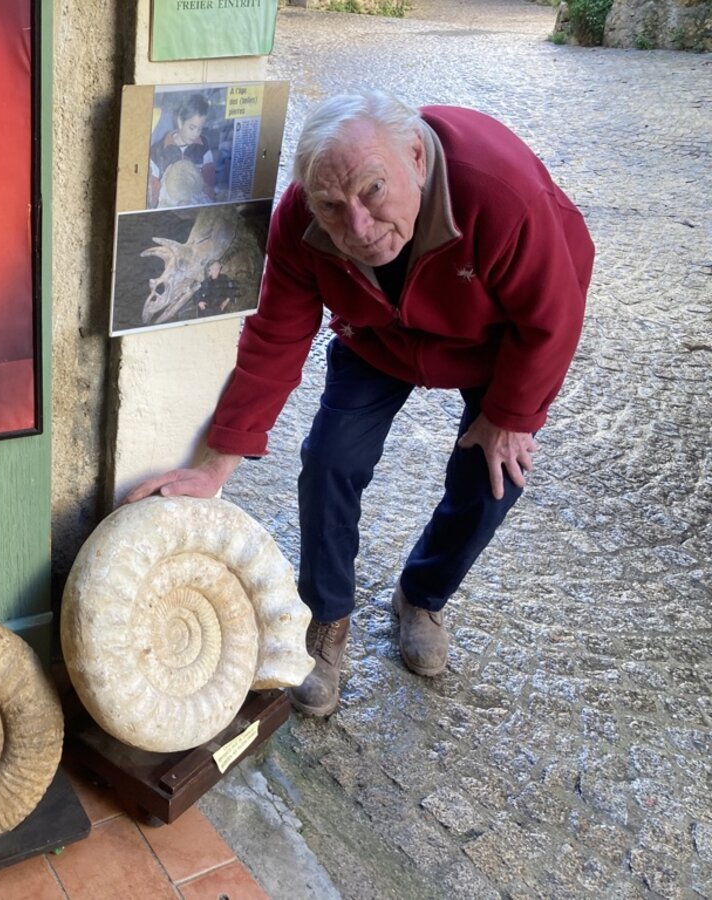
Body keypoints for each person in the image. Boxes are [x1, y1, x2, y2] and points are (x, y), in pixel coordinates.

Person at [126, 91, 594, 716]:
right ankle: (327, 617)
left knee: (492, 479)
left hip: (494, 341)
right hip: (376, 335)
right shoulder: (302, 218)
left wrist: (511, 416)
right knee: (329, 460)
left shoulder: (503, 195)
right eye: (332, 207)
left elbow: (553, 315)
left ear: (416, 158)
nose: (359, 228)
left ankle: (422, 596)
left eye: (373, 191)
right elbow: (275, 336)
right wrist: (217, 464)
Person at [149, 94, 217, 208]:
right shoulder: (158, 151)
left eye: (200, 129)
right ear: (180, 122)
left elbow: (210, 184)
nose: (196, 133)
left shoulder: (204, 147)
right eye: (192, 128)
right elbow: (152, 194)